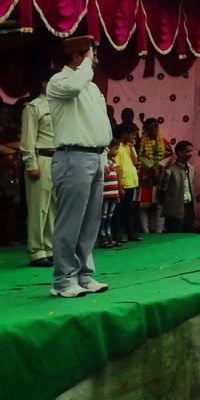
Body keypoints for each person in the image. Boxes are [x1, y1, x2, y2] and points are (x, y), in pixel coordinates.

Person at [47, 35, 111, 298]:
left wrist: (103, 155)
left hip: (94, 157)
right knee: (70, 221)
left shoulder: (92, 88)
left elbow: (100, 123)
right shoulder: (59, 81)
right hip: (72, 156)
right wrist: (84, 64)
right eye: (91, 54)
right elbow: (74, 85)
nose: (94, 60)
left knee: (90, 221)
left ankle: (84, 275)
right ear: (77, 56)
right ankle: (62, 280)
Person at [20, 76, 55, 267]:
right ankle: (36, 251)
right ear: (43, 82)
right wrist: (30, 163)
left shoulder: (61, 104)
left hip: (58, 158)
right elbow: (27, 138)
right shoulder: (34, 106)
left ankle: (49, 248)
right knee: (38, 207)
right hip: (41, 157)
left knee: (54, 208)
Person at [137, 118, 169, 233]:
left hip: (159, 177)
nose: (154, 129)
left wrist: (159, 166)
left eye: (156, 127)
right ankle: (145, 230)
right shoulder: (140, 143)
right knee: (143, 205)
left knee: (159, 204)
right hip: (145, 177)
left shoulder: (164, 142)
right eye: (151, 127)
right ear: (146, 129)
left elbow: (169, 156)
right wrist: (151, 167)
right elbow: (138, 157)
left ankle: (158, 230)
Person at [158, 140, 197, 233]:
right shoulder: (169, 171)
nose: (191, 154)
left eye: (192, 151)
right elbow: (161, 191)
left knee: (188, 237)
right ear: (179, 153)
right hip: (174, 211)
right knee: (174, 237)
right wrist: (169, 205)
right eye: (188, 151)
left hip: (189, 208)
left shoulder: (192, 169)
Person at [114, 124, 140, 241]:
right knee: (119, 209)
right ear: (124, 135)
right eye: (132, 134)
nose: (134, 137)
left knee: (129, 208)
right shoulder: (117, 148)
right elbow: (117, 167)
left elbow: (136, 161)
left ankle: (130, 232)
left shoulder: (128, 147)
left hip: (131, 182)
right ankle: (117, 233)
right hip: (123, 183)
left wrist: (132, 147)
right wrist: (120, 186)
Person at [98, 139, 122, 249]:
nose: (117, 151)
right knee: (103, 215)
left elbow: (117, 179)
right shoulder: (104, 164)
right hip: (105, 194)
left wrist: (118, 193)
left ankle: (109, 235)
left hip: (113, 194)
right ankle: (102, 236)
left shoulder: (114, 162)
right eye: (116, 148)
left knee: (110, 216)